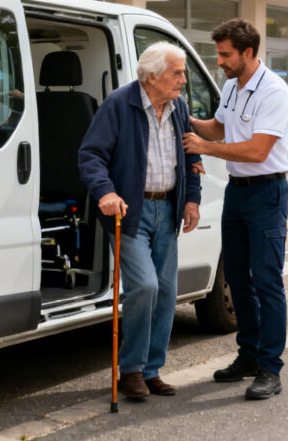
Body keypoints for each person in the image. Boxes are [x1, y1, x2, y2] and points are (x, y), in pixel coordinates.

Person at [78, 41, 202, 400]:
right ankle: (130, 369)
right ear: (152, 77)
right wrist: (105, 192)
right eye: (177, 72)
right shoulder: (119, 104)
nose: (183, 79)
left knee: (166, 292)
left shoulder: (178, 107)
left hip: (168, 210)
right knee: (144, 286)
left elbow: (189, 155)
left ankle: (151, 370)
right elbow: (91, 155)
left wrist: (191, 198)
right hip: (130, 212)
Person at [182, 18, 288, 400]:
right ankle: (248, 356)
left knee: (267, 282)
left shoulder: (274, 92)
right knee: (238, 281)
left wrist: (204, 147)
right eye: (219, 54)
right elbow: (218, 127)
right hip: (238, 194)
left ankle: (269, 368)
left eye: (226, 54)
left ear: (248, 52)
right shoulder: (232, 86)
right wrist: (186, 119)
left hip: (267, 194)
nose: (220, 61)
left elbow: (258, 150)